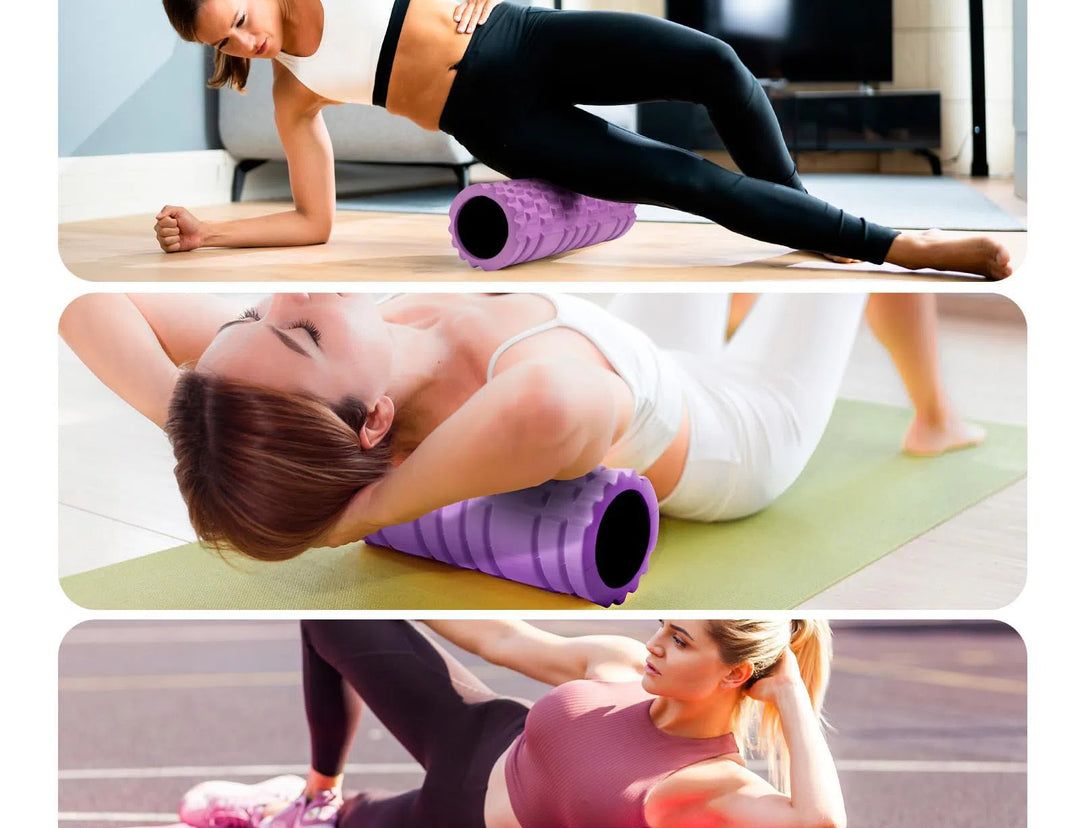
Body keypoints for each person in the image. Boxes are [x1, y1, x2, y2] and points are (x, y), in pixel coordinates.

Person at [155, 0, 1011, 279]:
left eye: (238, 18)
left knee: (715, 60)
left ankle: (815, 226)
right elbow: (315, 223)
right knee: (690, 181)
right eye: (223, 40)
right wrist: (209, 235)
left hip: (524, 35)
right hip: (498, 122)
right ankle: (900, 246)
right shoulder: (293, 91)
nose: (247, 42)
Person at [59, 291, 984, 563]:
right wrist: (347, 517)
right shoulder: (526, 397)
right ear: (376, 421)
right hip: (741, 431)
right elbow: (555, 409)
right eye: (301, 333)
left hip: (643, 347)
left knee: (702, 196)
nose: (293, 296)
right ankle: (937, 416)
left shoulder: (307, 366)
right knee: (843, 244)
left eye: (250, 315)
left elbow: (86, 303)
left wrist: (193, 423)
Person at [179, 617, 845, 828]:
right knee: (329, 618)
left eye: (681, 641)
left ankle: (329, 814)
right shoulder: (624, 662)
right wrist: (382, 575)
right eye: (665, 627)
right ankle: (313, 791)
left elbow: (818, 822)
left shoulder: (704, 781)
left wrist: (788, 694)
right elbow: (503, 638)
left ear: (733, 676)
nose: (657, 643)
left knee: (350, 822)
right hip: (477, 731)